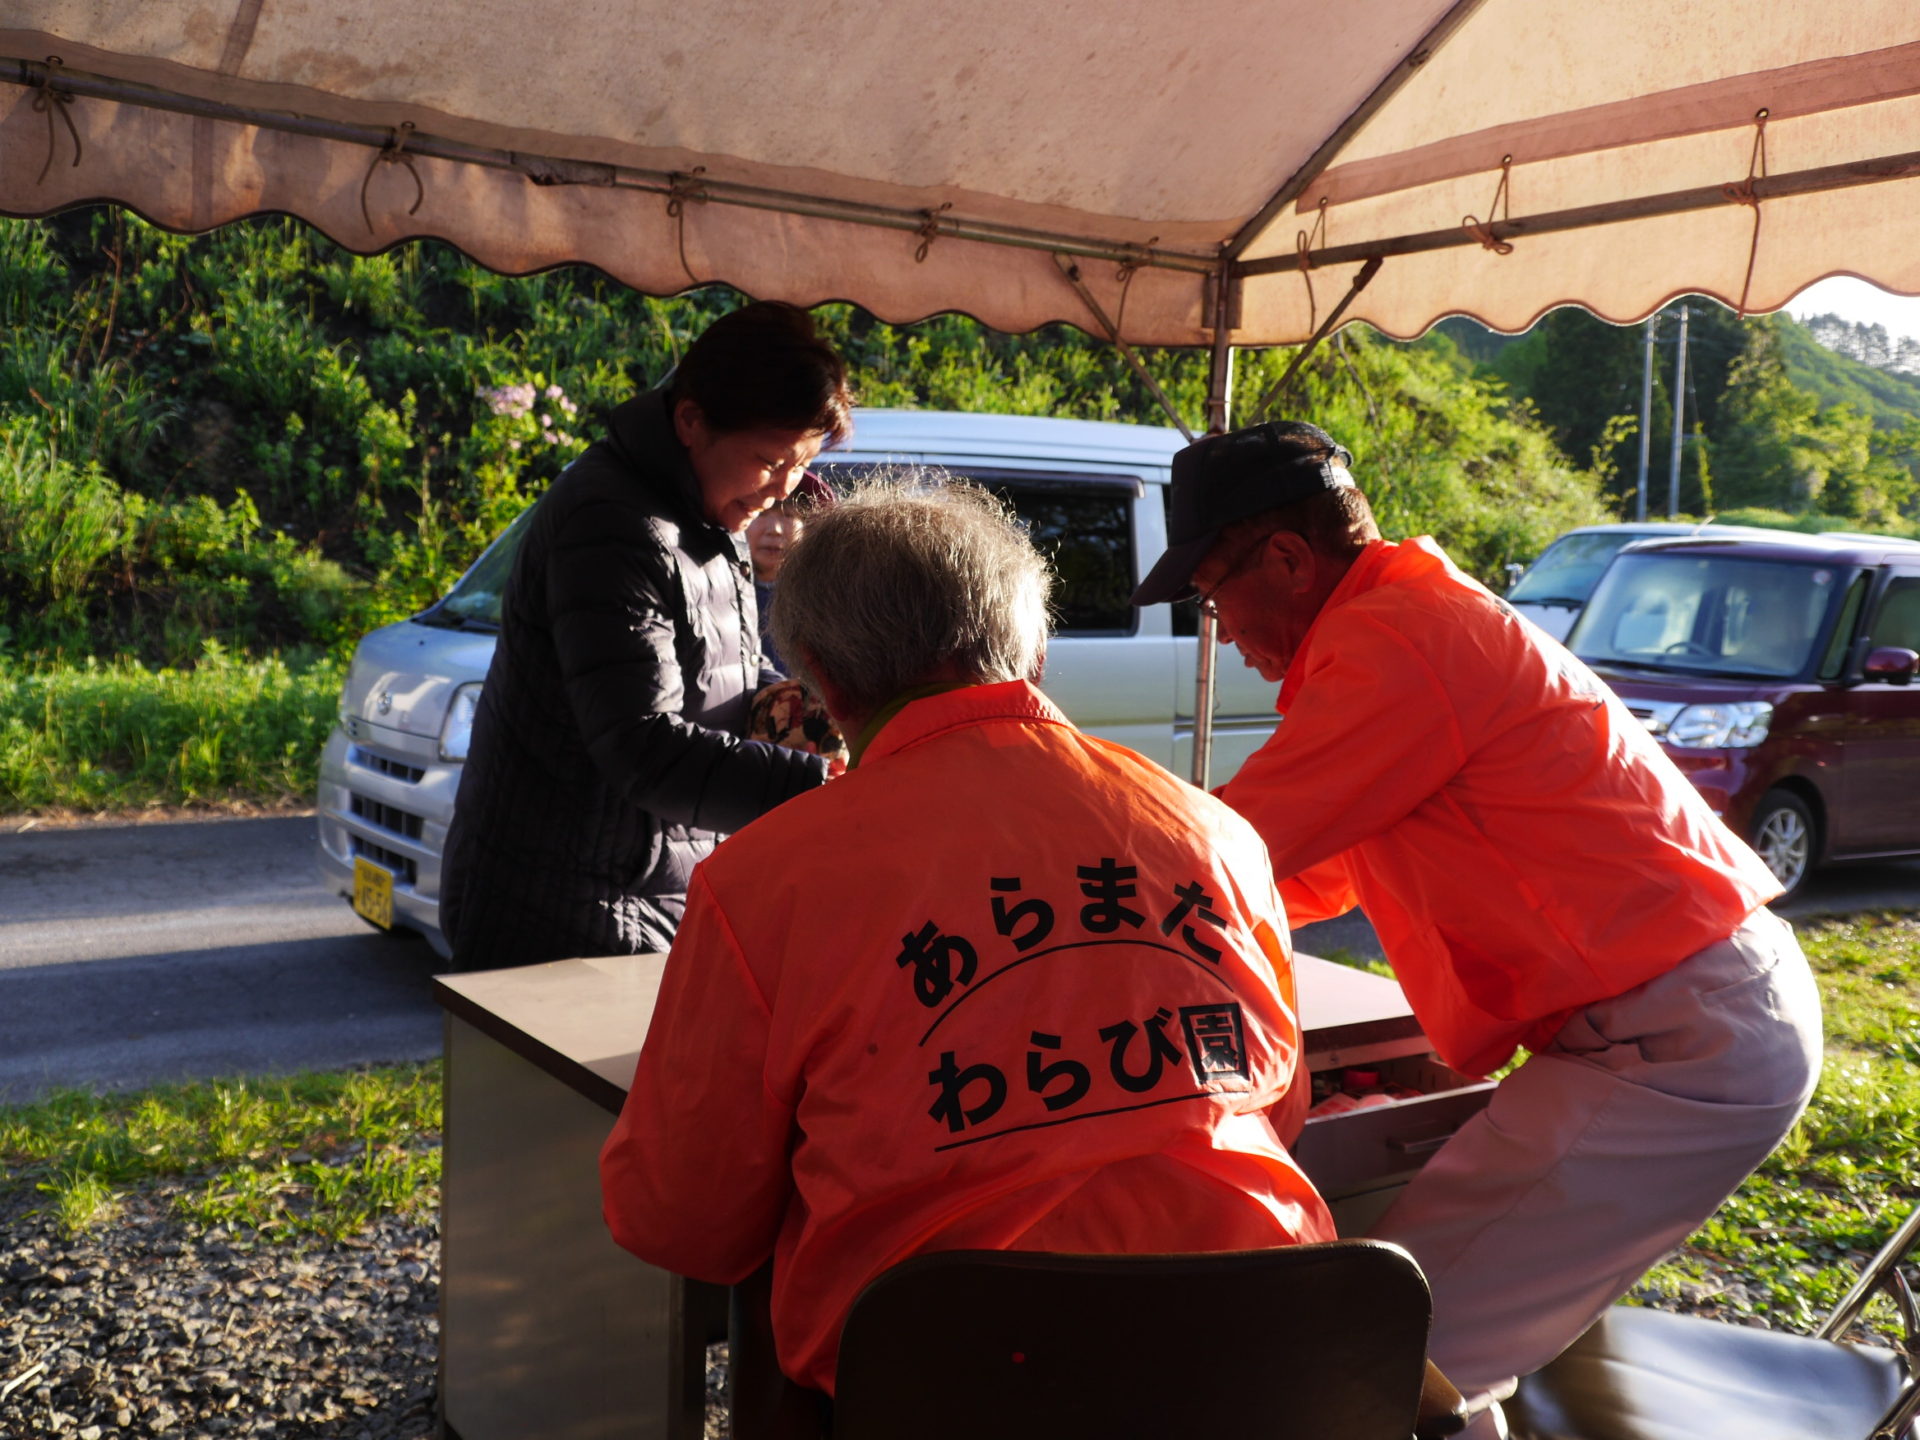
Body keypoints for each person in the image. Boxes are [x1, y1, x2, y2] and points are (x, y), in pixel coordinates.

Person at [1132, 420, 1823, 1439]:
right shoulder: (1411, 621)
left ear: (1284, 559)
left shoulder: (1397, 638)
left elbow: (1227, 849)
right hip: (1685, 1018)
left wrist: (1065, 884)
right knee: (1406, 1342)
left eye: (1212, 597)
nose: (1222, 632)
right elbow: (1303, 873)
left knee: (1366, 1349)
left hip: (1675, 1040)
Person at [601, 479, 1335, 1401]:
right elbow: (1285, 1106)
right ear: (1032, 648)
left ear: (822, 677)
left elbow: (683, 1221)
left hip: (954, 1388)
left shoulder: (766, 880)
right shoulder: (1214, 833)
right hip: (1268, 1362)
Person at [440, 302, 850, 968]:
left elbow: (713, 679)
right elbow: (640, 744)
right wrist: (821, 787)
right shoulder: (612, 523)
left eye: (801, 465)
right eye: (770, 460)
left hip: (642, 887)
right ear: (691, 421)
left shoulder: (713, 519)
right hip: (556, 906)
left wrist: (797, 709)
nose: (784, 489)